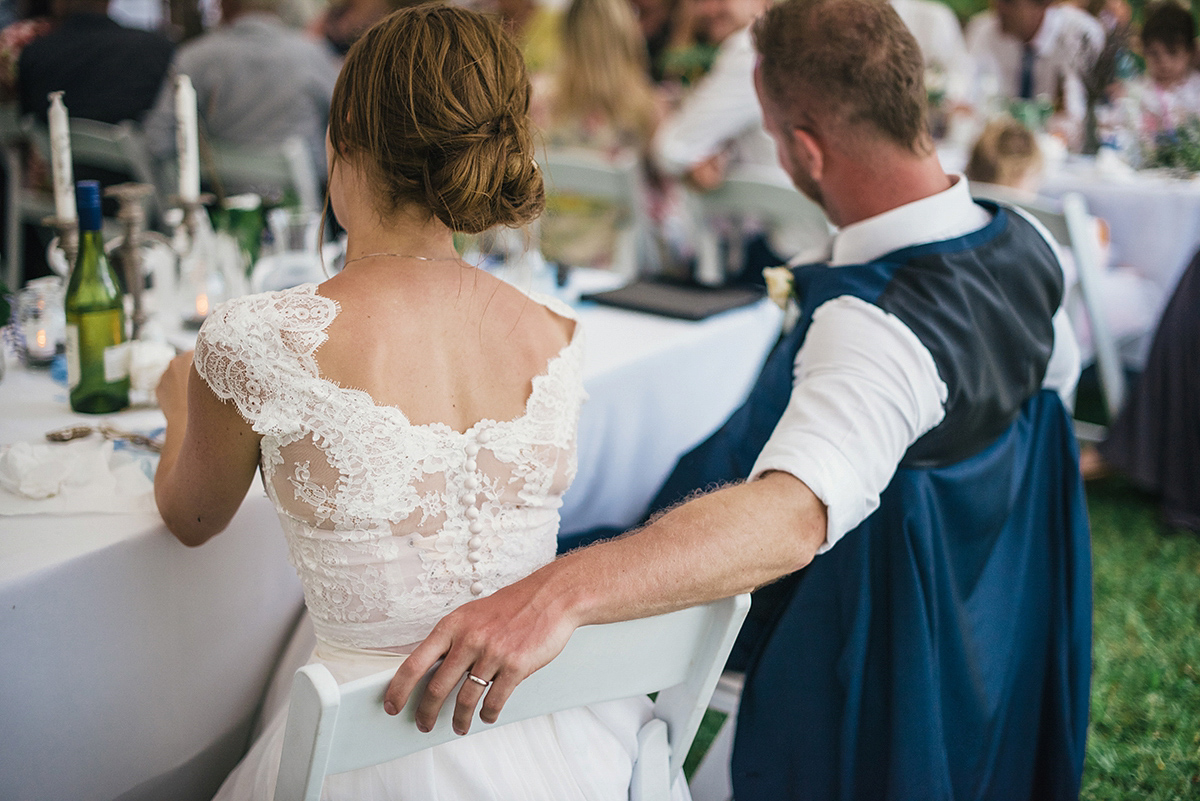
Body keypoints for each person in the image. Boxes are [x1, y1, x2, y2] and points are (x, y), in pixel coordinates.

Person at [382, 0, 1093, 799]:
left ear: (804, 152)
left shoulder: (875, 329)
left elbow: (789, 518)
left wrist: (556, 593)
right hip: (991, 640)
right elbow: (1046, 417)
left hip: (845, 630)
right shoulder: (1028, 245)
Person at [152, 6, 686, 799]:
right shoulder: (553, 336)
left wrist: (175, 400)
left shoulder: (252, 341)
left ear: (342, 149)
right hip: (561, 740)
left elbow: (191, 519)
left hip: (365, 750)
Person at [141, 0, 340, 190]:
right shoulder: (311, 54)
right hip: (306, 203)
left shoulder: (195, 56)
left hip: (222, 204)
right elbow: (348, 123)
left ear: (226, 4)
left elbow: (158, 140)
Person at [531, 0, 662, 269]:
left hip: (544, 257)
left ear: (568, 35)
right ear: (626, 36)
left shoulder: (537, 100)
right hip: (620, 264)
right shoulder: (646, 108)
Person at [16, 0, 172, 123]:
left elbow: (27, 120)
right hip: (137, 160)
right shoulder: (154, 48)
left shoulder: (35, 54)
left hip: (60, 160)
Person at [966, 0, 1105, 127]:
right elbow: (969, 91)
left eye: (1009, 2)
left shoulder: (1079, 33)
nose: (998, 8)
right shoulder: (983, 29)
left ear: (1043, 4)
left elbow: (1077, 108)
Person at [1125, 0, 1200, 137]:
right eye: (1154, 54)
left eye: (1173, 52)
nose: (1164, 62)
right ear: (1143, 51)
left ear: (1190, 52)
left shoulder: (1196, 90)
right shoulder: (1136, 91)